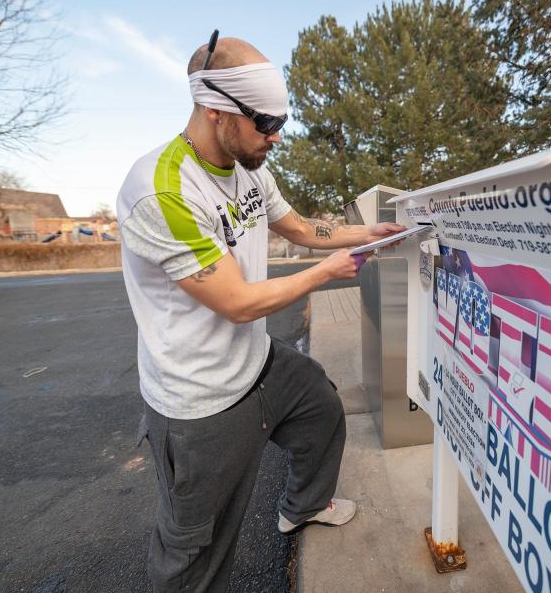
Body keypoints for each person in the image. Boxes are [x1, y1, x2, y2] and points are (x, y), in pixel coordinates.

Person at [116, 32, 404, 592]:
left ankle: (303, 505)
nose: (275, 136)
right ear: (216, 109)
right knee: (194, 549)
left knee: (320, 405)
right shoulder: (162, 189)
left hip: (257, 362)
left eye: (281, 122)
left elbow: (298, 228)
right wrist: (325, 273)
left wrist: (371, 231)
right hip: (198, 398)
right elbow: (237, 303)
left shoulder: (252, 168)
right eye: (266, 123)